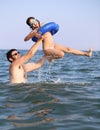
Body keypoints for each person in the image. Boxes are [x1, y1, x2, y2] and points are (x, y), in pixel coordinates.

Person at [24, 17, 92, 62]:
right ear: (31, 26)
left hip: (53, 45)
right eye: (31, 24)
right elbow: (25, 39)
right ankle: (49, 58)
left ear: (36, 20)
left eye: (34, 21)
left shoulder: (44, 26)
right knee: (61, 54)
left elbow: (52, 26)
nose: (34, 23)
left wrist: (41, 27)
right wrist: (32, 34)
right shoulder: (34, 32)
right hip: (47, 49)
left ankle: (87, 54)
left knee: (68, 49)